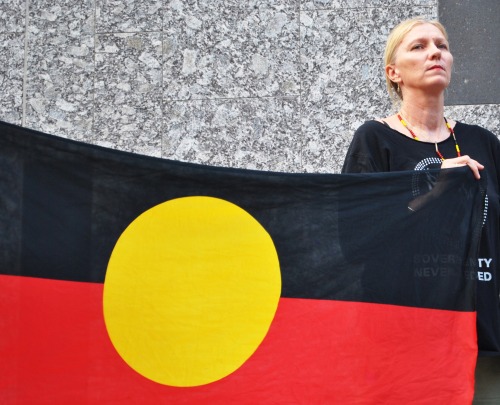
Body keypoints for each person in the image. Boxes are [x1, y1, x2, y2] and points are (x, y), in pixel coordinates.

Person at [342, 17, 500, 396]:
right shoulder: (375, 139)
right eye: (419, 46)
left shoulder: (482, 141)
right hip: (405, 339)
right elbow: (353, 241)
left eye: (441, 46)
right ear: (393, 72)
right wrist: (432, 188)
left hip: (482, 338)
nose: (434, 52)